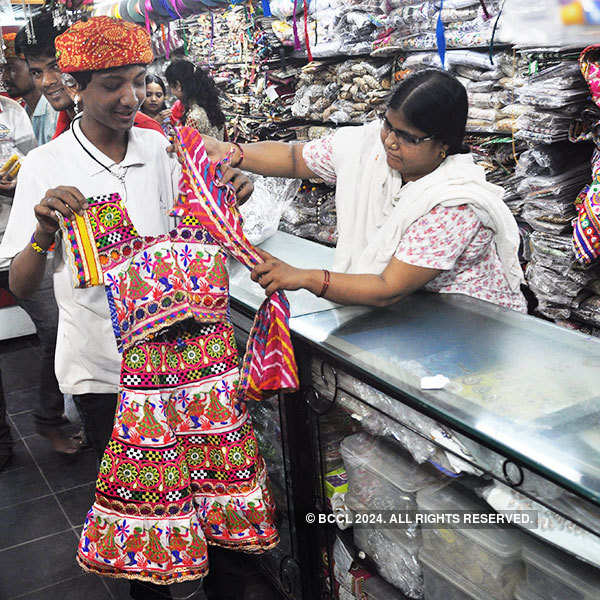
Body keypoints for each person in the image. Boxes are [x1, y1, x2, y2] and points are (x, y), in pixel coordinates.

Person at [4, 15, 264, 600]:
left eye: (139, 80)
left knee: (210, 498)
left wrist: (230, 192)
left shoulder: (164, 149)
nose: (132, 97)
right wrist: (45, 231)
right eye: (112, 84)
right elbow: (21, 286)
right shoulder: (47, 167)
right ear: (75, 87)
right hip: (107, 369)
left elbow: (203, 231)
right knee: (145, 513)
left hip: (186, 365)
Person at [201, 69, 527, 313]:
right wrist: (230, 151)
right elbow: (295, 158)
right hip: (411, 314)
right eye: (388, 125)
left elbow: (388, 288)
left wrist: (303, 277)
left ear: (444, 144)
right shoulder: (367, 148)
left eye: (408, 137)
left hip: (467, 321)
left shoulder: (454, 204)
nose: (389, 141)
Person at [14, 11, 164, 140]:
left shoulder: (145, 131)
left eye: (55, 67)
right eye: (36, 73)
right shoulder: (52, 125)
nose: (47, 81)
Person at [2, 32, 58, 145]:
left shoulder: (55, 112)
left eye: (10, 68)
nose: (4, 77)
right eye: (1, 71)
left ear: (31, 66)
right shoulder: (21, 112)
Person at [165, 59, 226, 140]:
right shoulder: (210, 107)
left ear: (178, 85)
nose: (171, 91)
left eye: (170, 86)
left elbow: (187, 149)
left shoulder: (194, 117)